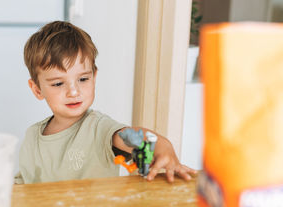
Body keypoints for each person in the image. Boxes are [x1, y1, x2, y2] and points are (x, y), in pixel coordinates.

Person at [16, 21, 196, 184]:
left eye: (83, 79)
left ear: (94, 77)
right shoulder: (32, 137)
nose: (73, 91)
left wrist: (162, 146)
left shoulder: (99, 128)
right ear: (37, 89)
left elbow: (130, 136)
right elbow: (23, 185)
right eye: (58, 83)